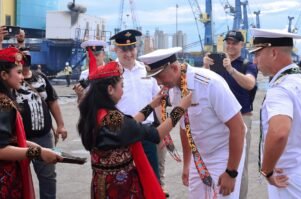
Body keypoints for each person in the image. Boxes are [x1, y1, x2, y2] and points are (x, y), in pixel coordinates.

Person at [77, 48, 192, 198]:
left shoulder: (96, 112)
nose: (123, 91)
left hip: (101, 183)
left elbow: (129, 124)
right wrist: (180, 108)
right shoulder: (113, 120)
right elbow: (156, 134)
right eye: (122, 86)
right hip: (119, 187)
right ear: (110, 89)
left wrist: (151, 105)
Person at [139, 47, 246, 198]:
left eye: (160, 77)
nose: (158, 82)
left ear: (175, 68)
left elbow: (238, 128)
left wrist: (231, 171)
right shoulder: (172, 88)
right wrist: (187, 164)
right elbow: (185, 128)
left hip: (223, 152)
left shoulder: (209, 83)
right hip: (199, 155)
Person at [249, 28, 301, 198]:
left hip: (287, 182)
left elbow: (279, 132)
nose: (254, 61)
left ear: (273, 53)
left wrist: (267, 170)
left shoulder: (280, 89)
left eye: (257, 54)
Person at [0, 47, 62, 199]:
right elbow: (1, 148)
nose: (22, 77)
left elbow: (9, 138)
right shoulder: (4, 104)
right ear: (4, 75)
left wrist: (35, 147)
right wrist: (38, 152)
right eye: (18, 72)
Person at [203, 30, 258, 199]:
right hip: (218, 120)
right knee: (216, 159)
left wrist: (231, 69)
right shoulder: (215, 65)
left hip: (241, 118)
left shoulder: (247, 64)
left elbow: (250, 84)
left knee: (240, 164)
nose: (230, 45)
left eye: (235, 43)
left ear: (242, 45)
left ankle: (240, 196)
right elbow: (201, 87)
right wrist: (205, 68)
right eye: (228, 42)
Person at [110, 29, 163, 192]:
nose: (128, 53)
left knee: (151, 180)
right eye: (123, 49)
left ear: (136, 48)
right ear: (116, 50)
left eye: (131, 48)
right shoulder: (111, 73)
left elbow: (159, 102)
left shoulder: (148, 71)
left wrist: (162, 132)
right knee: (123, 183)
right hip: (120, 135)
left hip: (146, 133)